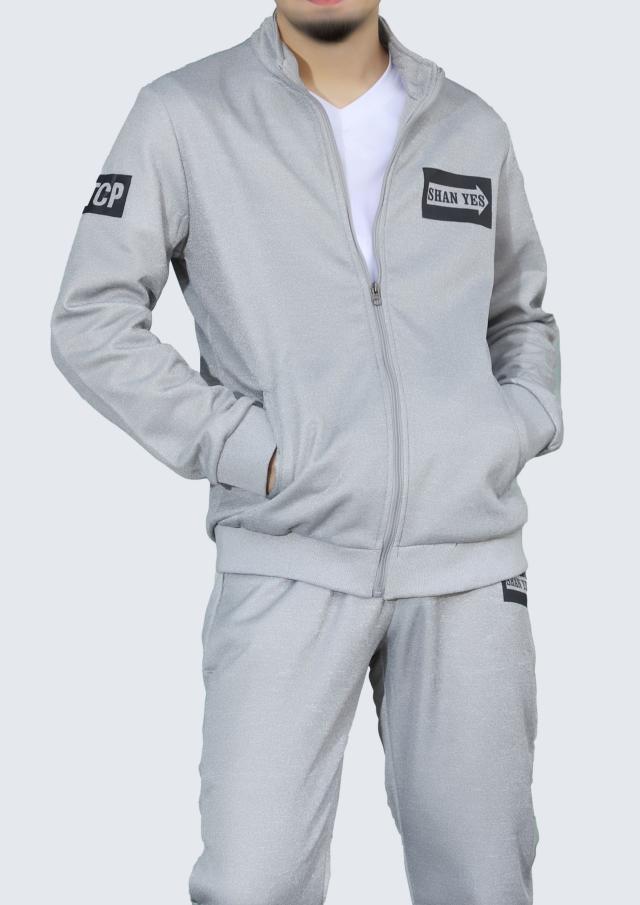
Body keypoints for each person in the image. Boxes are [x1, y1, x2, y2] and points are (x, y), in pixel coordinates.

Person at [51, 2, 563, 903]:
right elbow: (90, 321)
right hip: (287, 555)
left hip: (469, 568)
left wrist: (514, 423)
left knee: (484, 884)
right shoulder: (184, 113)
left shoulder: (470, 126)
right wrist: (250, 449)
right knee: (253, 883)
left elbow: (519, 314)